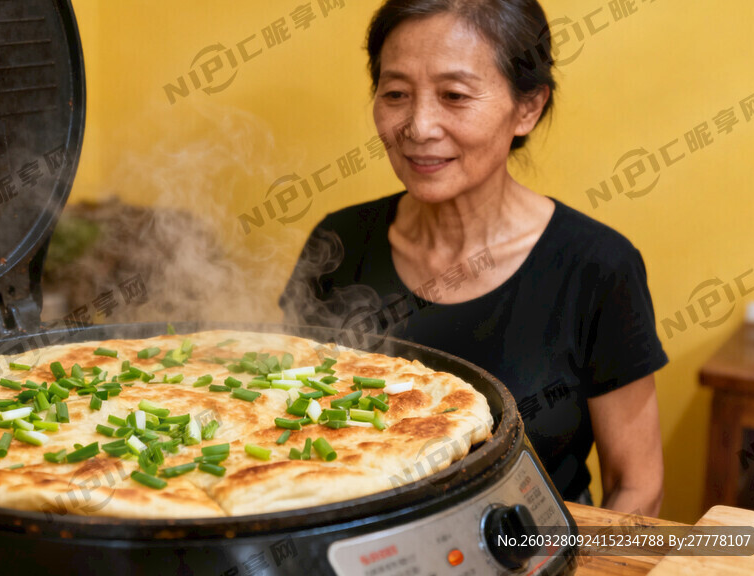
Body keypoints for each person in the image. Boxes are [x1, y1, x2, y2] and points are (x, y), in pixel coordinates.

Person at [280, 0, 667, 516]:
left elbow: (638, 485)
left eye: (454, 95)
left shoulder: (596, 267)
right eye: (396, 93)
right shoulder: (340, 240)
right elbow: (279, 417)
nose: (418, 126)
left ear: (527, 108)